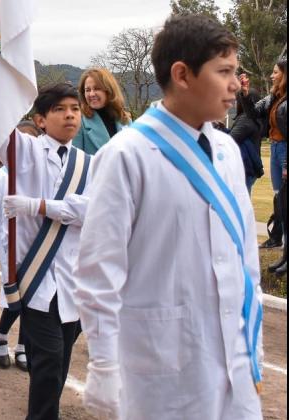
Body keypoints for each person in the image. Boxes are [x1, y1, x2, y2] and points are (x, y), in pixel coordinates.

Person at [75, 15, 263, 419]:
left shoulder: (227, 151)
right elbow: (98, 271)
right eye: (225, 71)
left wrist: (253, 343)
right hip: (161, 367)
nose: (236, 85)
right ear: (183, 74)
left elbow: (245, 255)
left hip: (233, 357)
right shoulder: (127, 155)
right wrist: (104, 362)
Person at [0, 83, 90, 420]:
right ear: (40, 119)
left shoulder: (88, 163)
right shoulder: (24, 150)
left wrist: (38, 206)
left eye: (75, 109)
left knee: (61, 359)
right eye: (60, 109)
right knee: (49, 358)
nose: (70, 115)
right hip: (35, 278)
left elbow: (91, 211)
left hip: (72, 278)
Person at [0, 121, 42, 373]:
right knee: (15, 298)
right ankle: (1, 334)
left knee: (35, 297)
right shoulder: (2, 176)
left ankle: (24, 345)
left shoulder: (42, 173)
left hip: (38, 244)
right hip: (10, 245)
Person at [254, 59, 286, 250]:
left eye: (275, 72)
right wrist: (243, 93)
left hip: (284, 149)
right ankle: (277, 239)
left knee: (285, 197)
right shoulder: (274, 97)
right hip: (275, 147)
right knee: (278, 197)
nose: (271, 76)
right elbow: (253, 113)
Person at [73, 67, 130, 155]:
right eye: (87, 90)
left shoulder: (125, 120)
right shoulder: (78, 121)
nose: (91, 94)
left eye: (97, 89)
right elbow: (75, 163)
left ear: (109, 90)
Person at [230, 72, 265, 194]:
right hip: (250, 166)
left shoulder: (246, 119)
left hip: (245, 167)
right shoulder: (256, 119)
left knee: (240, 203)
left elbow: (230, 140)